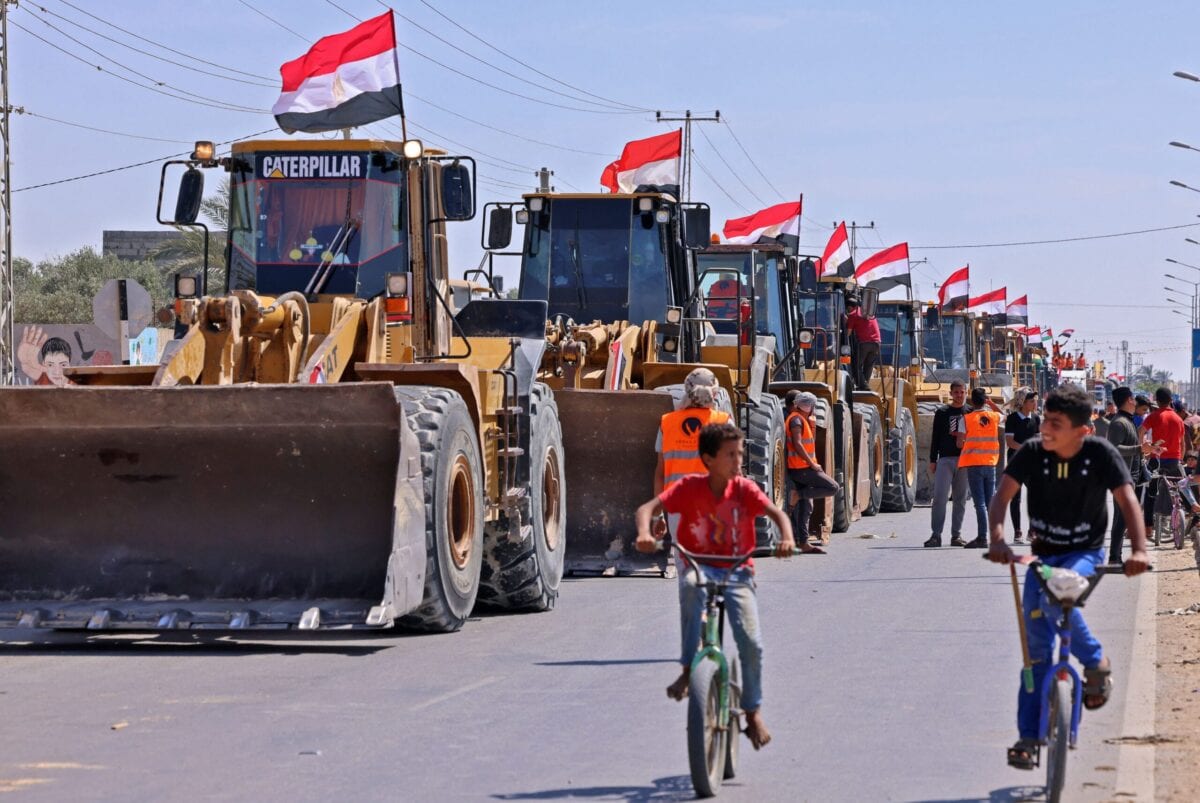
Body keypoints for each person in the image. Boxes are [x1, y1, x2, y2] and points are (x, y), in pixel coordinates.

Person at [985, 384, 1150, 771]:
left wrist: (1139, 551)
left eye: (1055, 423)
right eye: (1045, 420)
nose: (1045, 429)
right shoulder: (1031, 454)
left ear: (1083, 430)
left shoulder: (1100, 455)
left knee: (1057, 595)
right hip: (1042, 555)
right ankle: (1029, 735)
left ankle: (1095, 660)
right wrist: (997, 538)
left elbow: (1128, 501)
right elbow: (1002, 496)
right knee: (1035, 655)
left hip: (1083, 554)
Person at [634, 422, 796, 751]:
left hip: (738, 571)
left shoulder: (745, 490)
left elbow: (777, 514)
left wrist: (788, 539)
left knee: (751, 642)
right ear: (708, 459)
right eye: (730, 455)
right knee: (690, 586)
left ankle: (752, 712)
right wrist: (645, 532)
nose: (738, 461)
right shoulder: (690, 487)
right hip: (700, 563)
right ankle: (687, 668)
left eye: (740, 454)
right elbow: (647, 508)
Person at [784, 390, 838, 553]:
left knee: (806, 506)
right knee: (832, 487)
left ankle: (803, 542)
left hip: (801, 468)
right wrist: (812, 465)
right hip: (802, 469)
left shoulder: (800, 419)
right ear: (807, 406)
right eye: (812, 406)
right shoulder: (796, 421)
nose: (814, 409)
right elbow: (798, 444)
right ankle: (798, 495)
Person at [924, 380, 970, 547]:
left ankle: (956, 535)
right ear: (950, 394)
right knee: (939, 498)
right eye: (956, 392)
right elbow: (935, 437)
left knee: (960, 499)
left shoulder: (971, 412)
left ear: (966, 392)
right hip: (944, 460)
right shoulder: (942, 412)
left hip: (965, 461)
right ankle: (936, 535)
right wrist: (932, 459)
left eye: (962, 392)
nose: (959, 395)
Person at [957, 387, 1002, 548]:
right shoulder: (994, 416)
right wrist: (991, 403)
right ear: (985, 401)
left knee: (980, 504)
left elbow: (959, 442)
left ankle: (982, 537)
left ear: (971, 401)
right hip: (990, 464)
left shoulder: (966, 419)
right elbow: (1005, 415)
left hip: (974, 464)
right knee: (990, 503)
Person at [1106, 387, 1144, 562]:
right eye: (1134, 398)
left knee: (1123, 518)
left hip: (1129, 477)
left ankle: (1116, 556)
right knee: (1122, 518)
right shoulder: (1119, 423)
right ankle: (1114, 558)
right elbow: (1114, 449)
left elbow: (1133, 450)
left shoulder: (1128, 421)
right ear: (1129, 400)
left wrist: (1146, 450)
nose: (1135, 401)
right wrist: (1139, 449)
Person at [1140, 386, 1187, 525]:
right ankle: (1182, 516)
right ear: (1171, 400)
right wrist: (1180, 459)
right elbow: (1182, 443)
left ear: (1156, 400)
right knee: (1180, 489)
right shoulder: (1178, 419)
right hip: (1174, 461)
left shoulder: (1154, 416)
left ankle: (1148, 527)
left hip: (1157, 460)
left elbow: (1140, 431)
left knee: (1150, 494)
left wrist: (1142, 449)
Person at [1004, 389, 1040, 544]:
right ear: (1023, 402)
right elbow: (1010, 442)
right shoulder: (1012, 419)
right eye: (1032, 401)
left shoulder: (1036, 419)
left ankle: (1032, 531)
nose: (1035, 403)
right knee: (1015, 498)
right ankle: (1017, 531)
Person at [844, 296, 881, 391]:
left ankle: (864, 386)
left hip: (865, 344)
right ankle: (864, 386)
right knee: (868, 366)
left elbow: (848, 333)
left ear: (849, 307)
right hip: (877, 343)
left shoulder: (853, 314)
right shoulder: (869, 313)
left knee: (856, 365)